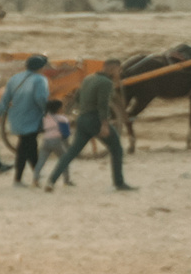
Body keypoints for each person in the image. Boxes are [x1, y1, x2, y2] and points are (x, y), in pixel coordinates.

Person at [42, 58, 136, 192]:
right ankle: (119, 183)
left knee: (71, 152)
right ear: (112, 69)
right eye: (118, 70)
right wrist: (104, 124)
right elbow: (103, 105)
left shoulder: (88, 79)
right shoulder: (106, 83)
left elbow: (78, 98)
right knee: (117, 149)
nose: (119, 73)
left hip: (82, 119)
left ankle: (51, 181)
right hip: (95, 120)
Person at [0, 53, 50, 185]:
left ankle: (36, 174)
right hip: (32, 117)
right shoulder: (39, 80)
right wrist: (48, 112)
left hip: (16, 117)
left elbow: (5, 98)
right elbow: (41, 99)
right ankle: (19, 179)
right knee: (25, 148)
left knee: (29, 145)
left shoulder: (15, 78)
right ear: (41, 67)